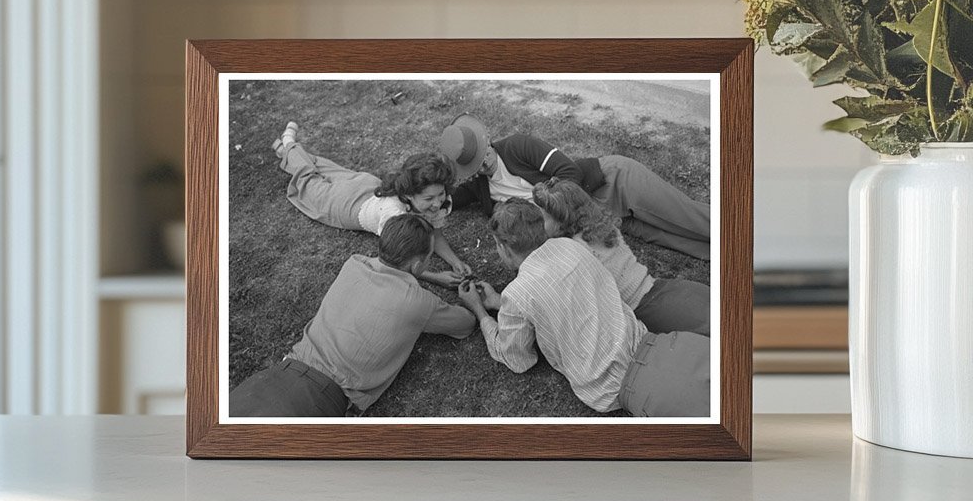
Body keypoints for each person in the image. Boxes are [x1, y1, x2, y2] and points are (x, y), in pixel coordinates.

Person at [456, 200, 710, 417]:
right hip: (668, 345)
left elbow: (518, 359)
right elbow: (557, 296)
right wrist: (500, 302)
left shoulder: (519, 293)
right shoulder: (570, 246)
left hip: (626, 387)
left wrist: (480, 313)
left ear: (504, 247)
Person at [230, 214, 476, 418]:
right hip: (321, 400)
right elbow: (465, 325)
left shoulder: (355, 263)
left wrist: (429, 275)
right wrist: (473, 302)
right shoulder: (418, 302)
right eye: (428, 259)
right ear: (415, 265)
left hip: (275, 376)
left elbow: (391, 269)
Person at [440, 113, 710, 260]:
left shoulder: (517, 145)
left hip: (611, 182)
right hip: (597, 221)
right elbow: (448, 199)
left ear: (487, 142)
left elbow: (568, 171)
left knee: (688, 217)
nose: (483, 166)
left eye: (483, 157)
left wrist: (555, 218)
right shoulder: (480, 187)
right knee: (669, 238)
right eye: (475, 166)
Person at [273, 119, 471, 286]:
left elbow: (435, 232)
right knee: (308, 181)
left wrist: (456, 262)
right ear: (409, 195)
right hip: (346, 205)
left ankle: (287, 152)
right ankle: (288, 143)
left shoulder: (433, 204)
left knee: (323, 167)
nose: (437, 204)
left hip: (365, 185)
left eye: (441, 194)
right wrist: (437, 278)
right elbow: (397, 264)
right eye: (429, 198)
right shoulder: (395, 216)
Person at [531, 178, 709, 336]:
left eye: (544, 218)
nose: (540, 223)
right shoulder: (601, 225)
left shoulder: (574, 251)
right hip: (666, 288)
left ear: (560, 220)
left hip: (646, 309)